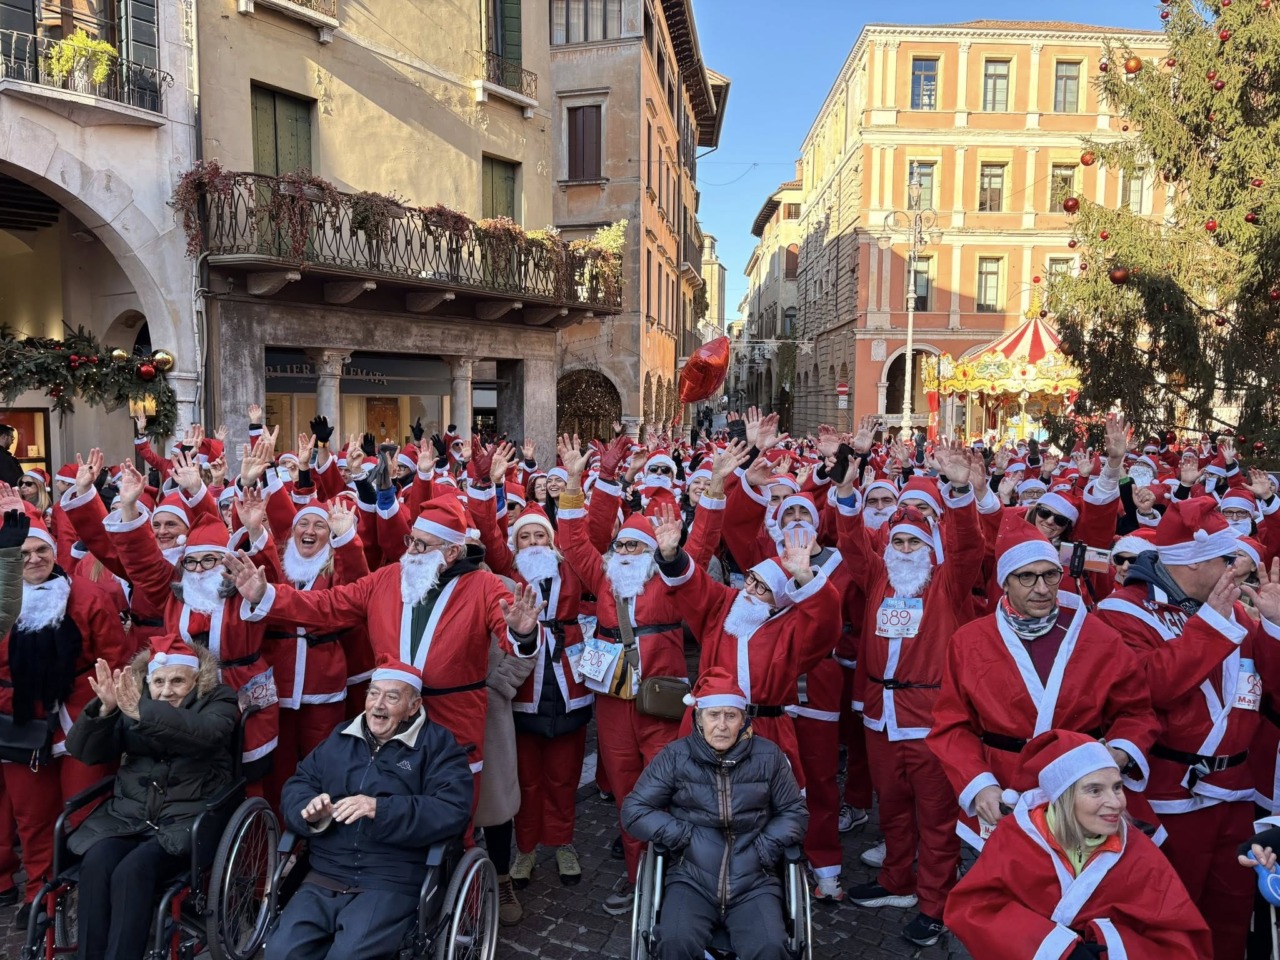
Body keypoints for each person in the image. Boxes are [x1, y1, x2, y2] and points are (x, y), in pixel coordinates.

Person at [1095, 496, 1280, 959]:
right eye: (1226, 558)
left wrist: (1275, 627)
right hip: (1172, 796)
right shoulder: (1121, 612)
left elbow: (1271, 687)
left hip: (1237, 794)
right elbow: (1147, 688)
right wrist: (1213, 626)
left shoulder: (1229, 608)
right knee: (1172, 921)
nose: (1236, 567)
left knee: (1231, 917)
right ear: (1193, 562)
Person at [832, 443, 986, 946]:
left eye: (912, 544)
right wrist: (847, 492)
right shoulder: (877, 577)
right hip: (881, 716)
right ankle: (897, 879)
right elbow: (853, 544)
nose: (903, 551)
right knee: (892, 807)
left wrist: (961, 490)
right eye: (896, 542)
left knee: (936, 819)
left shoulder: (945, 585)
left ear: (928, 547)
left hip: (929, 719)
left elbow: (968, 548)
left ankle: (935, 902)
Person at [929, 515, 1158, 851]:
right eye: (1026, 577)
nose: (1041, 588)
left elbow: (1136, 712)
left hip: (1081, 788)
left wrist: (1119, 754)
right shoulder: (969, 642)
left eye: (1050, 575)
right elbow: (952, 725)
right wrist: (979, 785)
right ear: (1005, 581)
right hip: (1004, 790)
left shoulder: (1098, 637)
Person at [264, 658, 474, 960]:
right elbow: (300, 783)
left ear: (414, 706)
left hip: (391, 876)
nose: (378, 705)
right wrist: (307, 810)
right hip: (326, 870)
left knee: (348, 955)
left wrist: (380, 808)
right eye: (373, 694)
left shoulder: (437, 746)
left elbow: (453, 808)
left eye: (392, 697)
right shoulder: (340, 738)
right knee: (281, 952)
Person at [945, 729, 1212, 958]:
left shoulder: (1139, 852)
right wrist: (1058, 949)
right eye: (1095, 790)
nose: (1116, 802)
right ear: (1062, 798)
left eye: (1117, 787)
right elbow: (974, 909)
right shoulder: (1016, 839)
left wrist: (1111, 947)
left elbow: (1181, 939)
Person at [65, 637, 238, 960]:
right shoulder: (133, 701)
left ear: (196, 680)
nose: (166, 691)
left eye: (177, 681)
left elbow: (204, 733)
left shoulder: (219, 700)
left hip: (186, 822)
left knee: (132, 871)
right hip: (128, 817)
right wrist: (105, 711)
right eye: (158, 681)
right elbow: (85, 752)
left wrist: (143, 712)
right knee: (97, 861)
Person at [621, 668, 808, 960]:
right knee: (673, 942)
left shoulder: (769, 757)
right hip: (691, 878)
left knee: (770, 948)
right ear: (698, 718)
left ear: (743, 720)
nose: (721, 725)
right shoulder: (675, 756)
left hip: (754, 880)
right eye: (713, 715)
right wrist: (682, 835)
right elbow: (634, 810)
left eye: (730, 716)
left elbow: (795, 812)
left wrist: (764, 847)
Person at [1, 512, 132, 925]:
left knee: (85, 811)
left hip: (82, 715)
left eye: (42, 550)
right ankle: (40, 892)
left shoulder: (88, 595)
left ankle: (86, 886)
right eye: (24, 553)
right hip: (20, 720)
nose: (35, 559)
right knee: (33, 815)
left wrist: (107, 710)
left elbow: (115, 657)